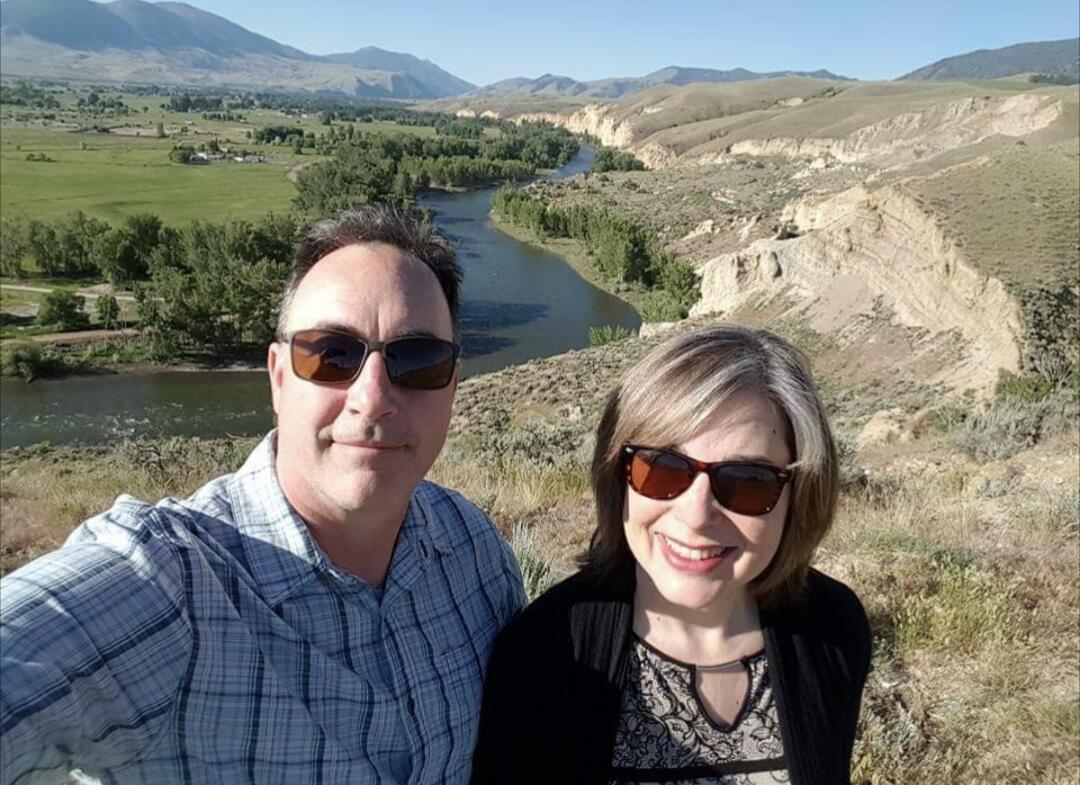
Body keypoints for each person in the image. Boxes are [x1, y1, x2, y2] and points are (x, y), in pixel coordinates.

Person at [1, 205, 526, 785]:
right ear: (278, 377)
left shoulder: (475, 554)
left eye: (419, 360)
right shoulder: (169, 585)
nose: (372, 397)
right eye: (331, 354)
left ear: (452, 385)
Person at [471, 324, 871, 785]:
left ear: (798, 497)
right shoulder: (543, 654)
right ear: (618, 477)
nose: (697, 514)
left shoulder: (832, 630)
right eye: (661, 468)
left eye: (747, 480)